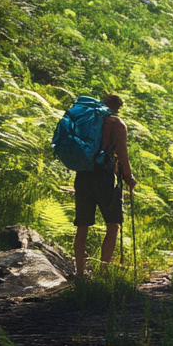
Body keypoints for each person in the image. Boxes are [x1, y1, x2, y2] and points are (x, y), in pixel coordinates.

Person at [74, 94, 136, 277]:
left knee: (82, 226)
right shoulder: (117, 124)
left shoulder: (86, 121)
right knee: (113, 223)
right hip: (105, 176)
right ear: (118, 108)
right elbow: (122, 154)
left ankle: (79, 273)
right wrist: (128, 176)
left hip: (83, 174)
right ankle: (104, 271)